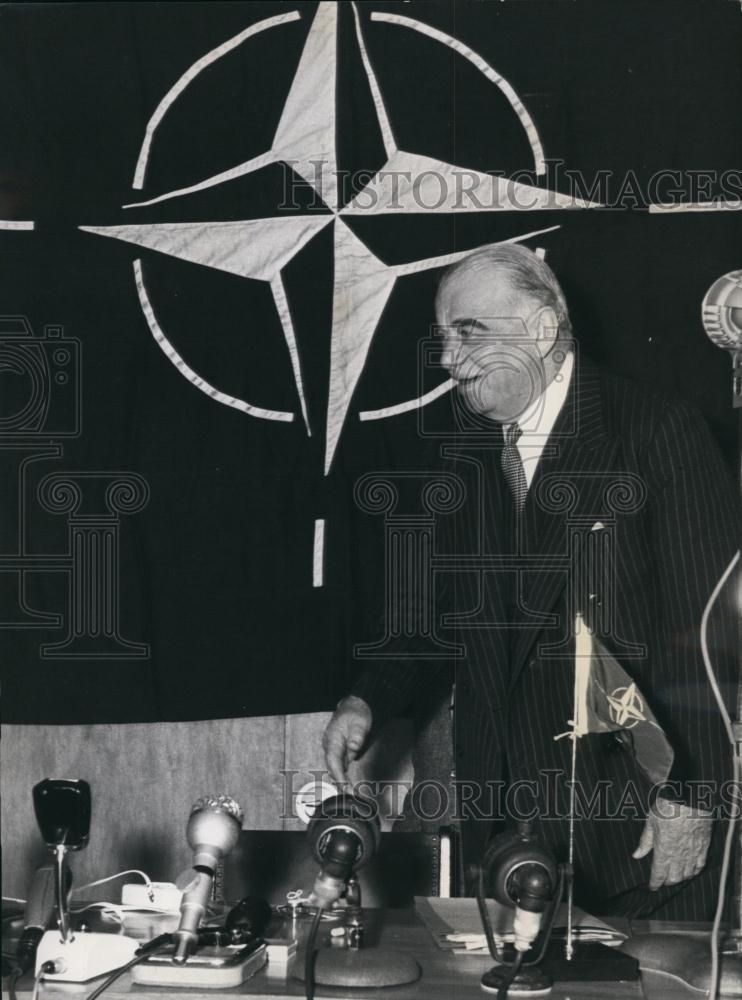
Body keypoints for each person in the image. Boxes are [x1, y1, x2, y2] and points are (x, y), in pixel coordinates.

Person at [322, 244, 739, 919]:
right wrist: (368, 699)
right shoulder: (457, 453)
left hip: (638, 833)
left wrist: (693, 796)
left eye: (469, 331)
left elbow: (711, 642)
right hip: (506, 836)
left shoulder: (657, 431)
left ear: (542, 328)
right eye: (443, 338)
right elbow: (425, 616)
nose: (450, 360)